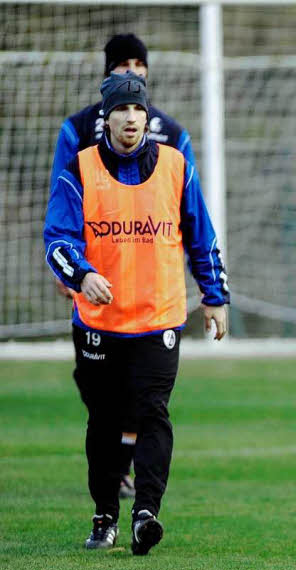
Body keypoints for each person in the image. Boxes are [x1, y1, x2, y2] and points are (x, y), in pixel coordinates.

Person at [44, 72, 229, 555]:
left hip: (159, 317)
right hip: (100, 324)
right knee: (104, 422)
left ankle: (146, 513)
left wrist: (215, 296)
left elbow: (200, 235)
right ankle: (105, 513)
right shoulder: (80, 168)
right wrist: (81, 275)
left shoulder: (175, 164)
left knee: (153, 414)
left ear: (148, 116)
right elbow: (57, 239)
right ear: (107, 117)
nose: (131, 118)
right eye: (122, 110)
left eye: (139, 110)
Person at [49, 33, 198, 500]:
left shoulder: (173, 137)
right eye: (121, 64)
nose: (131, 71)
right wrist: (70, 271)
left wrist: (210, 289)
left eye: (139, 63)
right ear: (106, 75)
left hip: (153, 296)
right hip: (94, 284)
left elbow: (188, 212)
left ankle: (128, 471)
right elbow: (62, 208)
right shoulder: (76, 132)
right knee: (99, 397)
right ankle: (113, 470)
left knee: (147, 400)